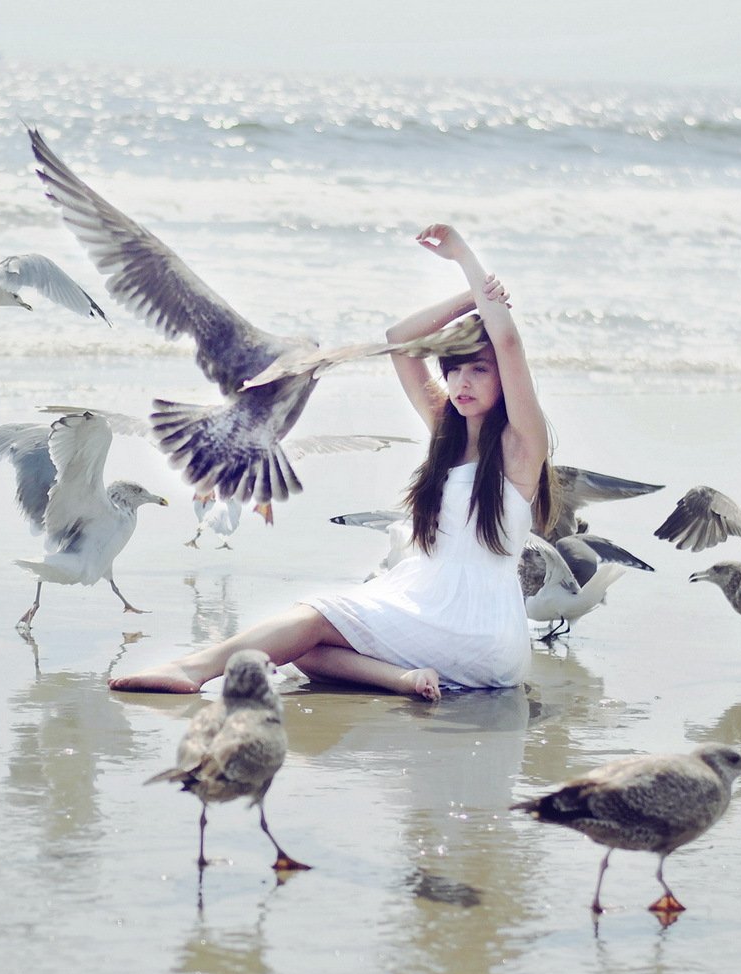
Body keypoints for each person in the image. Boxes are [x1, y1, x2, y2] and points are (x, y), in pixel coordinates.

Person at [110, 223, 552, 700]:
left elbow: (506, 342)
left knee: (310, 621)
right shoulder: (445, 433)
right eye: (454, 369)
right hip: (427, 605)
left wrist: (465, 258)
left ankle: (194, 668)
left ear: (503, 380)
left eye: (479, 370)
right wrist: (468, 298)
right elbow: (399, 338)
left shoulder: (520, 447)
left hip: (476, 628)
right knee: (300, 644)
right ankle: (402, 679)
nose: (462, 382)